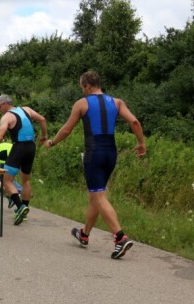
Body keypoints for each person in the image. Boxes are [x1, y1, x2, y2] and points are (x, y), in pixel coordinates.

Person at [45, 71, 146, 259]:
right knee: (96, 194)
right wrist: (141, 143)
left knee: (98, 195)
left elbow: (67, 129)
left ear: (87, 86)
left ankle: (120, 237)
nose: (82, 90)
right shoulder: (117, 102)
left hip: (94, 153)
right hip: (111, 153)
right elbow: (134, 121)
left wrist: (52, 143)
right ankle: (84, 234)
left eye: (81, 87)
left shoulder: (82, 103)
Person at [0, 94, 47, 225]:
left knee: (6, 180)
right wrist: (44, 136)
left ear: (5, 104)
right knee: (26, 180)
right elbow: (42, 119)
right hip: (31, 146)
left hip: (19, 148)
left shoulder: (7, 117)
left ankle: (20, 207)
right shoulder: (27, 109)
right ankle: (24, 211)